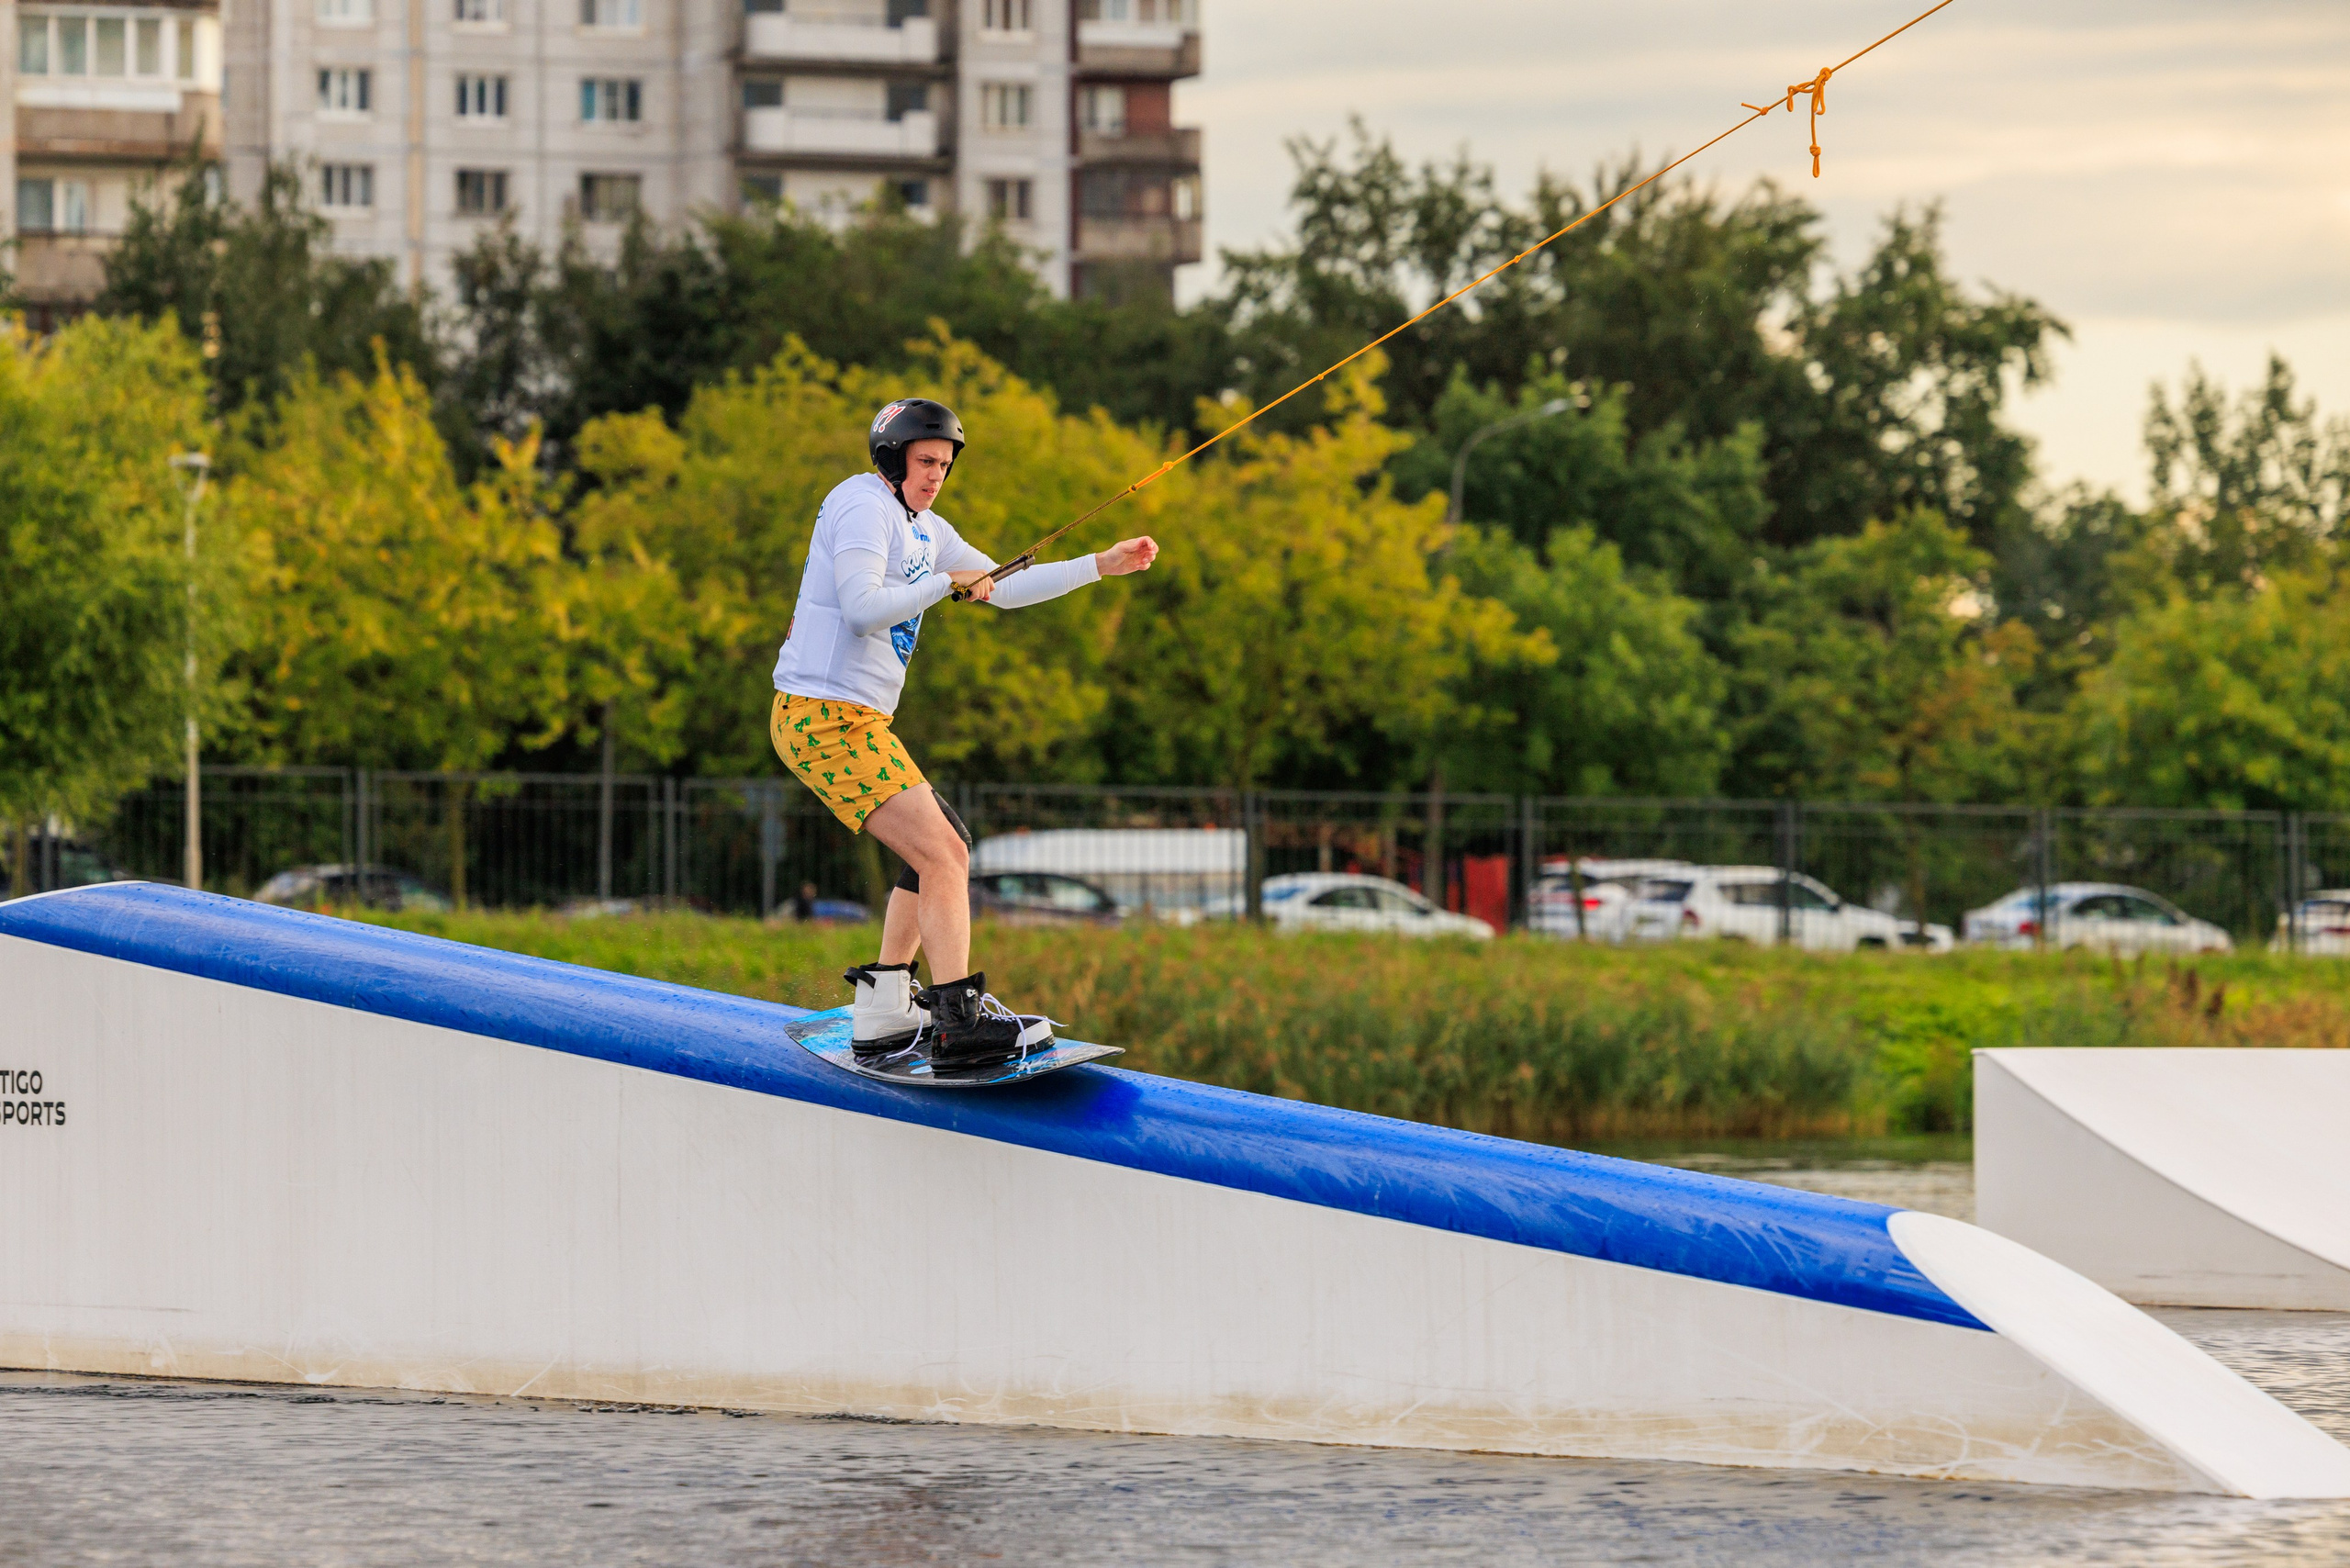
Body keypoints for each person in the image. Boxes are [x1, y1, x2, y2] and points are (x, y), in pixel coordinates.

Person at [770, 398, 1158, 1070]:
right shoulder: (863, 506)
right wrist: (942, 583)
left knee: (944, 847)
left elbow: (1005, 586)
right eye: (924, 463)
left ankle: (886, 1009)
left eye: (945, 467)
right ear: (893, 459)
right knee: (947, 857)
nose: (934, 477)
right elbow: (862, 609)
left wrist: (1101, 564)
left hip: (853, 720)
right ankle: (957, 1025)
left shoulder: (927, 528)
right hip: (822, 715)